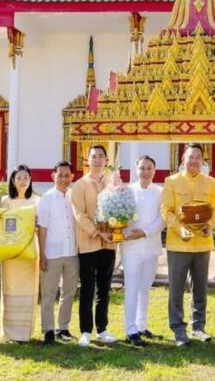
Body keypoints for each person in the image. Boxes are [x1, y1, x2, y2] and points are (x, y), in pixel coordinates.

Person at [160, 143, 215, 347]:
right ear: (182, 159)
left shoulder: (210, 182)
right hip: (179, 244)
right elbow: (166, 210)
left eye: (198, 158)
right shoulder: (171, 181)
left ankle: (199, 327)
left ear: (202, 161)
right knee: (176, 288)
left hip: (203, 243)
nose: (194, 161)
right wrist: (181, 230)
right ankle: (178, 329)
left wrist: (210, 225)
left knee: (200, 287)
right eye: (190, 157)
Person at [70, 145, 117, 347]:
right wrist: (98, 232)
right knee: (88, 287)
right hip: (89, 242)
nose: (97, 160)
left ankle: (103, 329)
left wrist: (115, 230)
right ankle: (86, 330)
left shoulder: (112, 183)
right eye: (94, 156)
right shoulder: (80, 185)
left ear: (106, 160)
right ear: (87, 160)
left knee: (105, 287)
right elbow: (79, 214)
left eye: (101, 157)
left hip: (109, 244)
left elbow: (119, 208)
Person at [122, 155, 164, 346]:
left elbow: (163, 219)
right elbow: (119, 216)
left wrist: (145, 232)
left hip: (152, 246)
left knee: (145, 289)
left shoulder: (160, 192)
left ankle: (141, 325)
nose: (145, 172)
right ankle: (130, 330)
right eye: (142, 168)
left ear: (154, 170)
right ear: (136, 169)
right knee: (132, 288)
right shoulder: (127, 191)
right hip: (131, 247)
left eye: (149, 168)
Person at [37, 161, 78, 345]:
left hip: (71, 252)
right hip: (52, 252)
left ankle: (63, 328)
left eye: (66, 175)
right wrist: (42, 254)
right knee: (48, 293)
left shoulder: (74, 196)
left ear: (72, 177)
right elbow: (42, 228)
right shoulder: (46, 198)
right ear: (53, 176)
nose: (63, 178)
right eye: (60, 175)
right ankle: (48, 330)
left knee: (68, 292)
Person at [0, 165, 39, 343]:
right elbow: (0, 224)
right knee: (10, 288)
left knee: (29, 289)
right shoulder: (5, 201)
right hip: (11, 253)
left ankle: (25, 333)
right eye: (19, 177)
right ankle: (9, 331)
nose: (22, 181)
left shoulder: (36, 201)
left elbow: (40, 224)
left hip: (30, 251)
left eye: (25, 177)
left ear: (30, 180)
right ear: (13, 181)